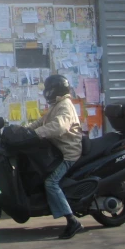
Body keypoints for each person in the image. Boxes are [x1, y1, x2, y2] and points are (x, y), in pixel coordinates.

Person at [26, 74, 84, 239]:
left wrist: (35, 134)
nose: (46, 92)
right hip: (56, 149)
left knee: (51, 182)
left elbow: (58, 126)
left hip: (67, 152)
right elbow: (43, 121)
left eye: (49, 89)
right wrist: (25, 130)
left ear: (56, 90)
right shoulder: (57, 104)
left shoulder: (65, 106)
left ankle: (72, 221)